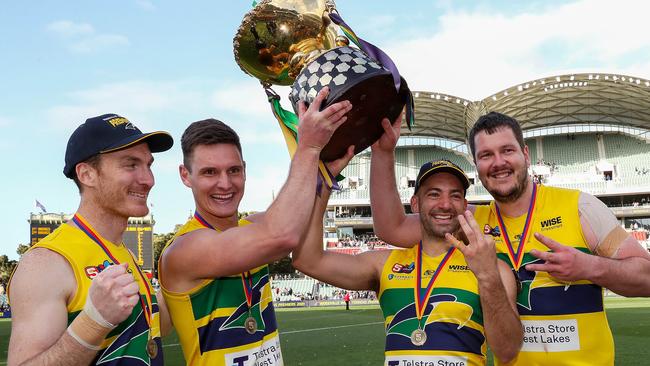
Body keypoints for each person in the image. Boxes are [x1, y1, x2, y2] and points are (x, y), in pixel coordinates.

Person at [370, 111, 650, 365]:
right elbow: (391, 228)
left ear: (526, 155)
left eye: (507, 150)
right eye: (486, 155)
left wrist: (590, 267)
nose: (498, 163)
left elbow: (646, 277)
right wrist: (383, 153)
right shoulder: (469, 222)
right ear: (477, 166)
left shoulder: (579, 208)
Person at [158, 87, 352, 365]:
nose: (225, 184)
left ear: (245, 170)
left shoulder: (254, 228)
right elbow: (282, 234)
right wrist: (308, 148)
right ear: (185, 176)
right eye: (209, 172)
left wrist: (325, 177)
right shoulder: (184, 249)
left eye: (233, 170)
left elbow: (302, 237)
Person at [292, 157, 522, 365]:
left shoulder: (492, 268)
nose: (445, 204)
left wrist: (488, 277)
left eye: (455, 195)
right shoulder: (384, 264)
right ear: (415, 204)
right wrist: (324, 182)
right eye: (434, 194)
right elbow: (307, 260)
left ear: (464, 205)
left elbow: (507, 351)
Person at [7, 113, 173, 365]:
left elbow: (143, 332)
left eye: (148, 165)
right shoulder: (45, 263)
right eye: (131, 165)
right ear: (86, 174)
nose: (148, 180)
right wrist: (93, 323)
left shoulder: (122, 252)